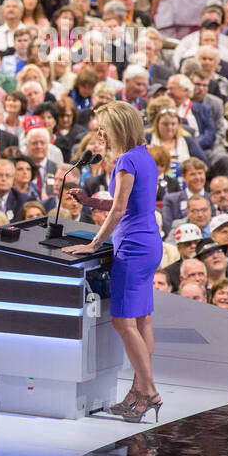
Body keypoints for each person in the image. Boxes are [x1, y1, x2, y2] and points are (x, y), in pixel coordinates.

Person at [64, 102, 162, 422]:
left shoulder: (124, 160)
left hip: (132, 248)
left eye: (103, 126)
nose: (100, 132)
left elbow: (119, 210)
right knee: (142, 320)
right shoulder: (145, 156)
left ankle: (148, 391)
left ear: (118, 127)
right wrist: (90, 201)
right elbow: (131, 202)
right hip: (150, 243)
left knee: (123, 322)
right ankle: (136, 393)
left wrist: (92, 243)